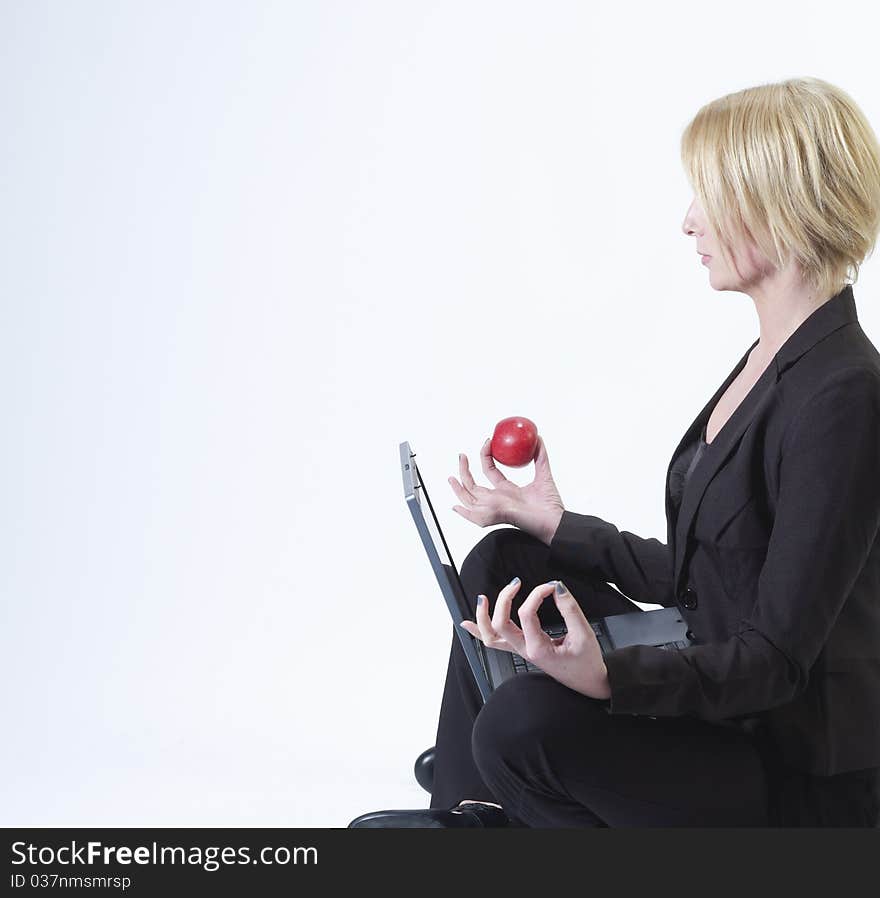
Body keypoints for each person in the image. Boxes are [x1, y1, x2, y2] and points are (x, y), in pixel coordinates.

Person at [349, 76, 880, 828]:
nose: (689, 221)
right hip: (726, 690)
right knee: (505, 565)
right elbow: (715, 580)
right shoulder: (773, 355)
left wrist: (609, 679)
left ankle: (514, 781)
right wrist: (554, 526)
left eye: (708, 195)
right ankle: (472, 806)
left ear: (774, 206)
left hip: (782, 763)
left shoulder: (843, 396)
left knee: (522, 722)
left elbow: (777, 659)